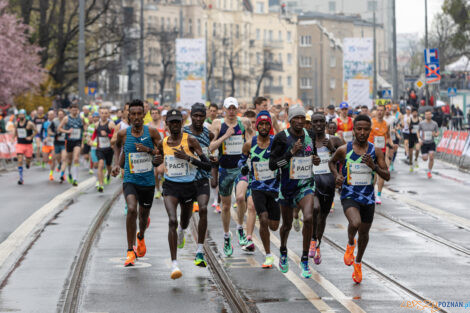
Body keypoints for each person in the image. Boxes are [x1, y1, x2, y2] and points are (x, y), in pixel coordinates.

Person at [328, 114, 390, 283]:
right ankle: (349, 244)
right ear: (354, 130)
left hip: (368, 198)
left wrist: (374, 166)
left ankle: (358, 261)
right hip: (349, 195)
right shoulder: (344, 150)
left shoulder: (375, 151)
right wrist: (337, 176)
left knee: (364, 233)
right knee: (354, 223)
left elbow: (387, 175)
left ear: (370, 131)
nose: (362, 132)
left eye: (365, 129)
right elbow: (331, 162)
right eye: (359, 129)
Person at [153, 109, 211, 279]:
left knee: (184, 222)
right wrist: (155, 161)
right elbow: (156, 160)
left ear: (182, 123)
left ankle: (182, 230)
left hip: (188, 187)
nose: (175, 125)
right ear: (168, 124)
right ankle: (174, 264)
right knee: (172, 220)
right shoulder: (162, 143)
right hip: (170, 187)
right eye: (172, 122)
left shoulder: (191, 141)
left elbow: (207, 166)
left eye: (178, 122)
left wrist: (189, 158)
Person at [269, 105, 321, 278]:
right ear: (290, 120)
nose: (299, 121)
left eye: (302, 119)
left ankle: (305, 259)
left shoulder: (310, 135)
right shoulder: (281, 138)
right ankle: (283, 250)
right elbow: (273, 165)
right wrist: (290, 153)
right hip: (287, 187)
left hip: (306, 184)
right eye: (295, 118)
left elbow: (312, 156)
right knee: (287, 225)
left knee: (308, 217)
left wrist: (316, 159)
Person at [111, 99, 161, 267]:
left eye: (140, 114)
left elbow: (161, 153)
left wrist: (149, 151)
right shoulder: (123, 134)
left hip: (147, 181)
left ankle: (140, 237)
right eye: (133, 114)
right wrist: (117, 164)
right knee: (131, 209)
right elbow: (118, 147)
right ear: (129, 116)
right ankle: (129, 251)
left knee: (143, 217)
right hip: (130, 179)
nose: (137, 117)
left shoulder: (152, 132)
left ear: (144, 114)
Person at [209, 97, 254, 256]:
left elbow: (252, 143)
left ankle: (240, 228)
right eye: (229, 108)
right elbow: (211, 147)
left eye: (234, 108)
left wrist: (248, 136)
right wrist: (226, 135)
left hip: (240, 168)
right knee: (226, 206)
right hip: (224, 169)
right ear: (224, 109)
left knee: (241, 198)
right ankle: (227, 236)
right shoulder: (218, 124)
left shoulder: (244, 122)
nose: (232, 111)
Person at [239, 111, 280, 268]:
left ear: (270, 126)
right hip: (257, 188)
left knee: (274, 226)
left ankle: (270, 233)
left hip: (275, 188)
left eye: (266, 124)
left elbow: (285, 159)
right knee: (262, 217)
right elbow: (242, 160)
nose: (263, 127)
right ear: (256, 126)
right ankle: (268, 255)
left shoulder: (276, 142)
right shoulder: (250, 143)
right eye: (260, 124)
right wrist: (243, 167)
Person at [183, 103, 216, 267]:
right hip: (186, 179)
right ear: (190, 115)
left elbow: (209, 155)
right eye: (195, 115)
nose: (198, 119)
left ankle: (200, 250)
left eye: (201, 116)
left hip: (202, 178)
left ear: (205, 116)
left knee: (203, 209)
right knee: (186, 216)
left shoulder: (209, 135)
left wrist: (213, 160)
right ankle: (182, 229)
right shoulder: (183, 133)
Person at [309, 112, 342, 264]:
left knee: (323, 215)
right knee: (314, 209)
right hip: (311, 183)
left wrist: (333, 150)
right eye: (315, 122)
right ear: (311, 124)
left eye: (321, 121)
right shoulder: (306, 141)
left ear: (326, 123)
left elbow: (347, 157)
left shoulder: (334, 140)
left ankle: (317, 242)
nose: (318, 125)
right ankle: (312, 239)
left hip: (328, 183)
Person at [368, 105, 392, 205]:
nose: (379, 112)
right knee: (372, 174)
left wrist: (391, 145)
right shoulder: (371, 122)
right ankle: (371, 193)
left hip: (382, 152)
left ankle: (378, 195)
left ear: (384, 111)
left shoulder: (386, 124)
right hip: (371, 151)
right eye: (378, 110)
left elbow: (388, 137)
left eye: (381, 110)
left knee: (381, 173)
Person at [58, 103, 86, 186]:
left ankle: (75, 179)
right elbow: (59, 128)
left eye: (76, 110)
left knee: (76, 158)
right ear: (70, 110)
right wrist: (67, 131)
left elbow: (85, 126)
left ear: (78, 110)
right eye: (73, 110)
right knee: (69, 160)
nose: (74, 111)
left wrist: (84, 132)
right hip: (69, 141)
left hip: (77, 140)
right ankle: (69, 172)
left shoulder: (81, 118)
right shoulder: (66, 118)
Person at [92, 107, 115, 192]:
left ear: (108, 114)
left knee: (109, 166)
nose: (104, 115)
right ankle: (101, 184)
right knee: (100, 165)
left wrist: (107, 135)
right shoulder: (97, 124)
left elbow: (115, 136)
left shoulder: (111, 124)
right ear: (99, 114)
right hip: (100, 148)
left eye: (106, 113)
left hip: (109, 148)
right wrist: (91, 140)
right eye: (102, 113)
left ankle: (108, 174)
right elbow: (95, 134)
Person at [148, 107, 167, 199]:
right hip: (152, 151)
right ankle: (158, 190)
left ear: (159, 115)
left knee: (161, 170)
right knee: (155, 174)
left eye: (156, 113)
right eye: (153, 113)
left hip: (163, 151)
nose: (154, 114)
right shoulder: (148, 126)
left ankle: (163, 183)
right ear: (150, 115)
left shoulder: (164, 125)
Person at [14, 109, 37, 184]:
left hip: (28, 144)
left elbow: (36, 131)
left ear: (25, 115)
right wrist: (13, 138)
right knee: (20, 160)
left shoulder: (29, 123)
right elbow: (15, 132)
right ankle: (21, 178)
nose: (20, 116)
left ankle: (28, 163)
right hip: (20, 143)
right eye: (19, 115)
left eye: (22, 114)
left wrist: (31, 137)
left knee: (28, 160)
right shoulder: (16, 123)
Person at [418, 110, 439, 179]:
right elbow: (418, 131)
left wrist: (435, 134)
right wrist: (419, 139)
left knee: (431, 157)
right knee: (425, 159)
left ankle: (429, 171)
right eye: (426, 114)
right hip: (424, 143)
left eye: (429, 114)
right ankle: (424, 156)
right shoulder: (421, 123)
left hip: (431, 143)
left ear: (431, 115)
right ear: (425, 115)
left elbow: (437, 133)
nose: (428, 116)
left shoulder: (434, 124)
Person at [49, 109, 67, 182]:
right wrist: (54, 134)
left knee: (64, 159)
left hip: (65, 143)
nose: (60, 115)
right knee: (57, 158)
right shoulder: (54, 121)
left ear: (64, 114)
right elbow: (49, 130)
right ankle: (59, 165)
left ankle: (62, 174)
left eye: (61, 114)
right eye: (59, 114)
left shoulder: (67, 121)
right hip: (56, 143)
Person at [41, 110, 56, 181]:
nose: (51, 116)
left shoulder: (57, 123)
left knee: (53, 158)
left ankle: (51, 174)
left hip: (54, 142)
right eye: (50, 115)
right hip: (46, 143)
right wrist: (43, 139)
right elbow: (41, 132)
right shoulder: (45, 123)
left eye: (52, 114)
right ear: (48, 116)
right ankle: (49, 160)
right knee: (45, 160)